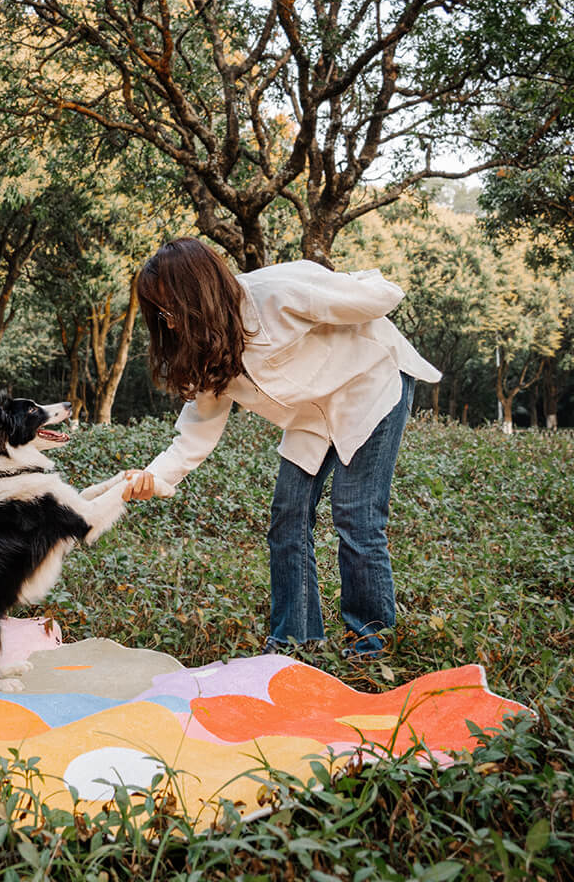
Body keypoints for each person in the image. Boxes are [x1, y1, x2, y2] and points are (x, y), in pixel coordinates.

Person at [121, 237, 441, 659]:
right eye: (161, 314)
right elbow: (198, 426)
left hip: (370, 386)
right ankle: (296, 639)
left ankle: (371, 645)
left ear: (199, 294)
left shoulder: (278, 292)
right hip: (313, 417)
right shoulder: (207, 348)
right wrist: (155, 476)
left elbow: (378, 297)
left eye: (173, 309)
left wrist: (358, 288)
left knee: (356, 515)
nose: (170, 323)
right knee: (287, 517)